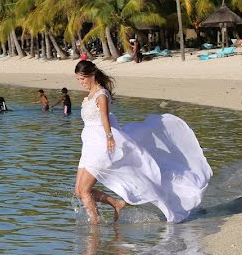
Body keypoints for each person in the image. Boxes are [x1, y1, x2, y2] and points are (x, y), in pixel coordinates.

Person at [73, 60, 211, 225]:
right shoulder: (89, 95)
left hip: (100, 146)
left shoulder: (101, 94)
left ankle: (94, 228)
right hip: (88, 146)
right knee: (79, 191)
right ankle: (116, 203)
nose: (81, 83)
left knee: (85, 190)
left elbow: (104, 117)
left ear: (92, 75)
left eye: (82, 79)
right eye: (79, 80)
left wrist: (109, 137)